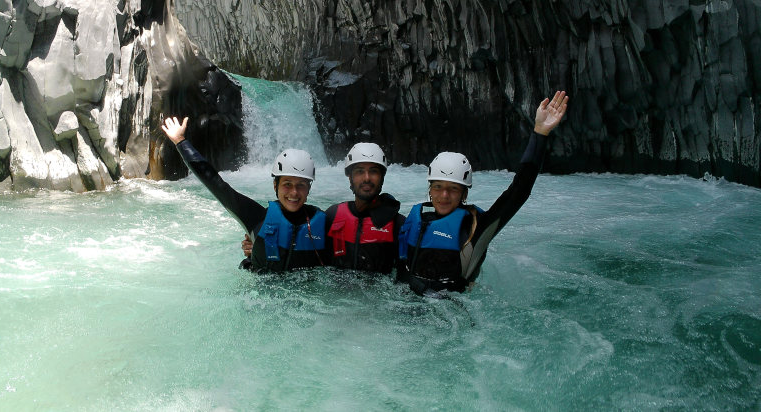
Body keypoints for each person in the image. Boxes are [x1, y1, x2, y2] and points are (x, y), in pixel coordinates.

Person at [397, 91, 569, 295]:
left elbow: (518, 192)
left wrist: (539, 134)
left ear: (463, 194)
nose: (444, 196)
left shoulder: (477, 229)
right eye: (438, 187)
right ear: (430, 190)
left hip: (448, 311)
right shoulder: (413, 220)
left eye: (453, 189)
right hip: (404, 305)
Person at [162, 116, 328, 272]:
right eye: (287, 184)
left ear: (309, 189)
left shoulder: (324, 222)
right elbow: (216, 184)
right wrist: (180, 141)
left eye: (301, 185)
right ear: (275, 185)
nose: (294, 192)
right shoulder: (255, 218)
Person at [243, 143, 404, 274]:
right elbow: (299, 243)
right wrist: (258, 247)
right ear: (350, 176)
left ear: (382, 176)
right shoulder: (333, 216)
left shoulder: (398, 224)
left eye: (374, 171)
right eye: (359, 171)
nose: (367, 178)